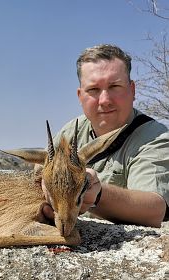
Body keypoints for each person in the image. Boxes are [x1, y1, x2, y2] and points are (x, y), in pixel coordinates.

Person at [42, 44, 169, 228]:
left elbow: (154, 209)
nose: (105, 101)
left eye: (115, 86)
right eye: (93, 90)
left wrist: (95, 194)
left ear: (132, 90)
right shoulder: (71, 131)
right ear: (80, 96)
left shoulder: (154, 137)